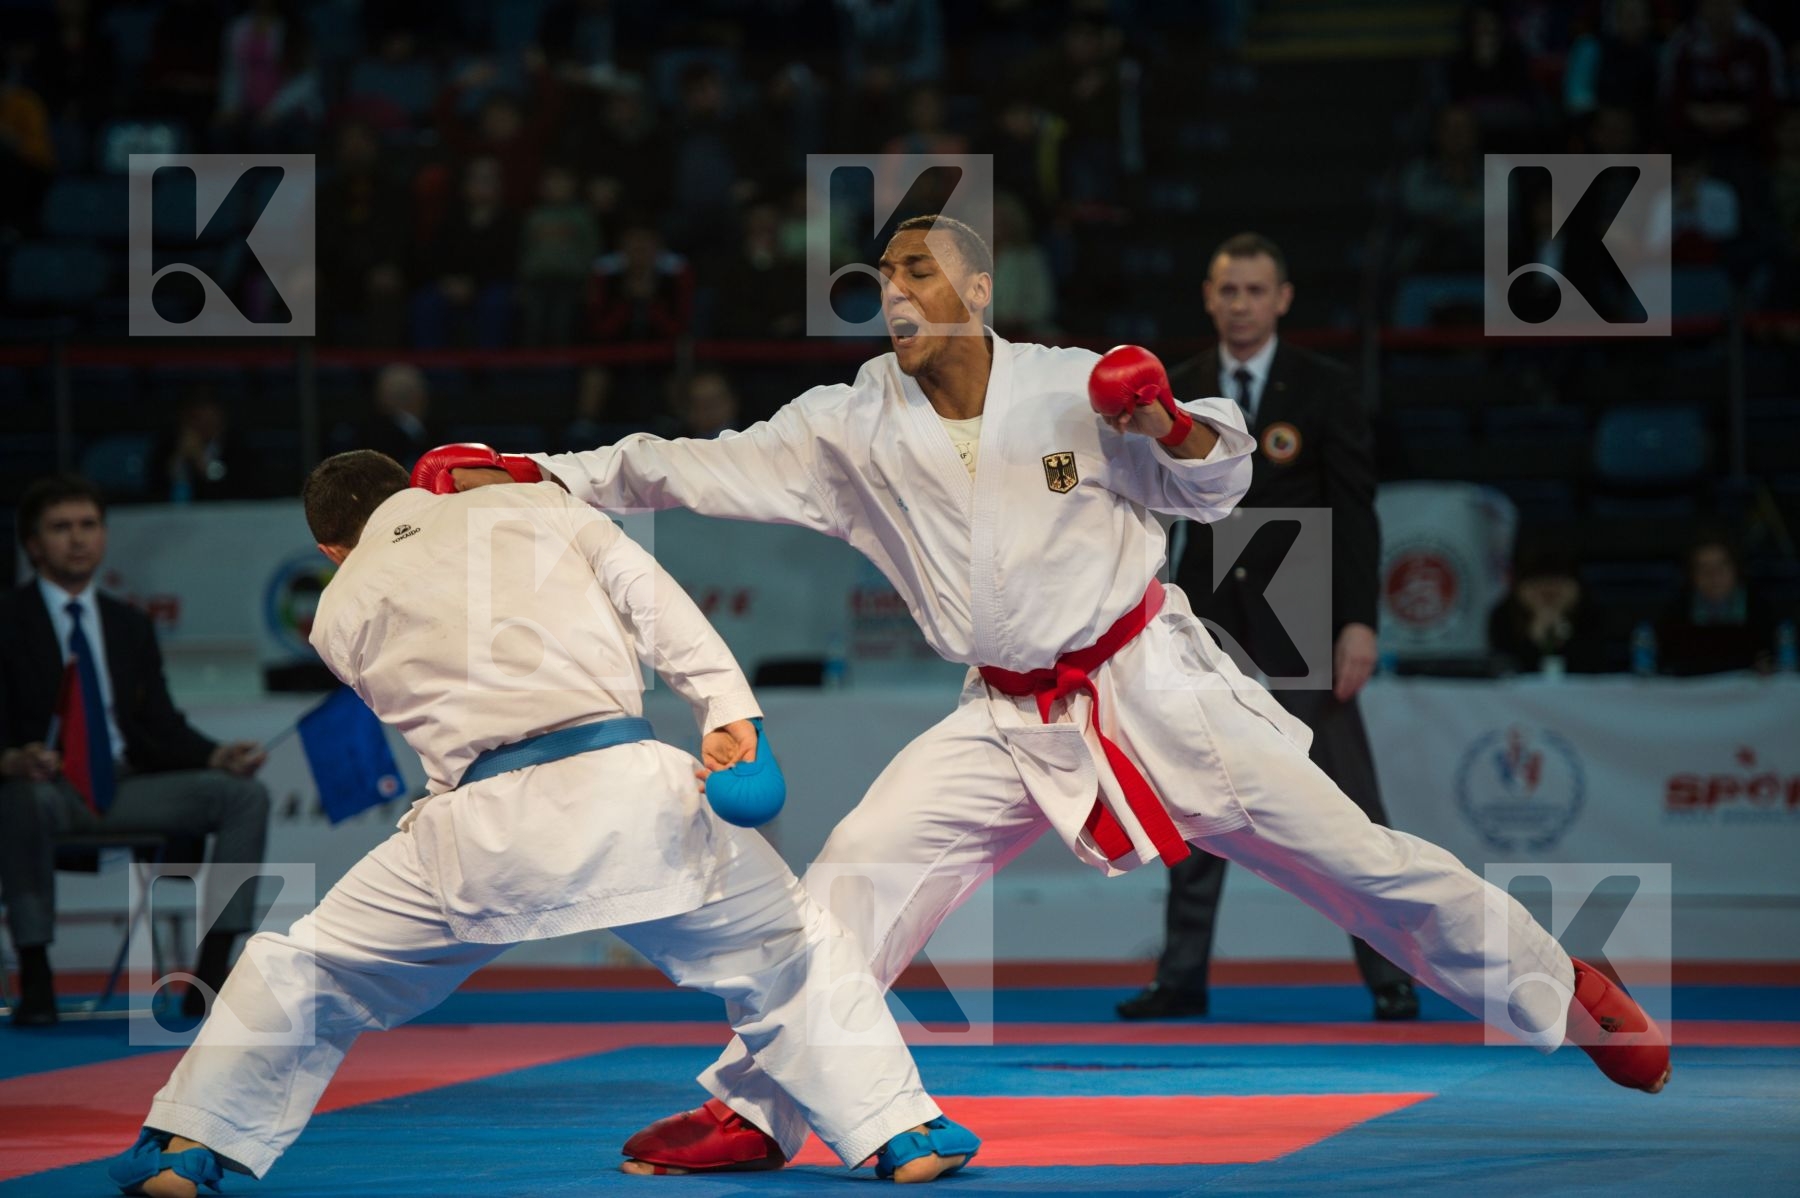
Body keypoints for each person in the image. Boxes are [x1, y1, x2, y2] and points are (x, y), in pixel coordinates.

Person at [420, 213, 1670, 1174]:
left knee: (1360, 861)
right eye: (882, 279)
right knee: (857, 872)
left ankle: (1569, 990)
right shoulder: (847, 426)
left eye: (918, 271)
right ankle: (761, 1105)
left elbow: (1216, 488)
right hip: (1004, 713)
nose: (894, 293)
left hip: (1153, 682)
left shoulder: (1077, 381)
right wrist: (530, 470)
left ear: (976, 289)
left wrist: (1173, 422)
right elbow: (678, 466)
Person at [101, 451, 977, 1197]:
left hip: (476, 830)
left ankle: (190, 1143)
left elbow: (433, 706)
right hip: (634, 800)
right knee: (794, 952)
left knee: (304, 965)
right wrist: (725, 708)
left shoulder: (336, 611)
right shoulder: (535, 503)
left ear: (332, 548)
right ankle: (904, 1134)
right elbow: (652, 599)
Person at [1118, 233, 1417, 1024]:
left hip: (1304, 604)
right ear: (1208, 297)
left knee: (1351, 803)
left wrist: (1358, 621)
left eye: (1255, 291)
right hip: (1206, 609)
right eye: (1228, 291)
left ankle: (1391, 974)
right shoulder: (1170, 391)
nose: (1241, 305)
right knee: (1193, 790)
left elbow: (1354, 511)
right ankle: (1180, 975)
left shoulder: (1323, 387)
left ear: (1283, 298)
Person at [0, 475, 270, 1027]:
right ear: (33, 545)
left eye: (88, 525)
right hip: (48, 790)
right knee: (22, 799)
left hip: (129, 786)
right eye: (61, 528)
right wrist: (10, 759)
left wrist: (217, 755)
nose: (78, 539)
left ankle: (211, 970)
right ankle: (37, 975)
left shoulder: (128, 624)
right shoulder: (7, 620)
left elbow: (160, 726)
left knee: (244, 795)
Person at [1656, 534, 1776, 675]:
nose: (1713, 576)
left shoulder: (1760, 610)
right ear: (1692, 575)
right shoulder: (1675, 614)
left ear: (1736, 569)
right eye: (1703, 568)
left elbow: (1772, 658)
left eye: (1722, 566)